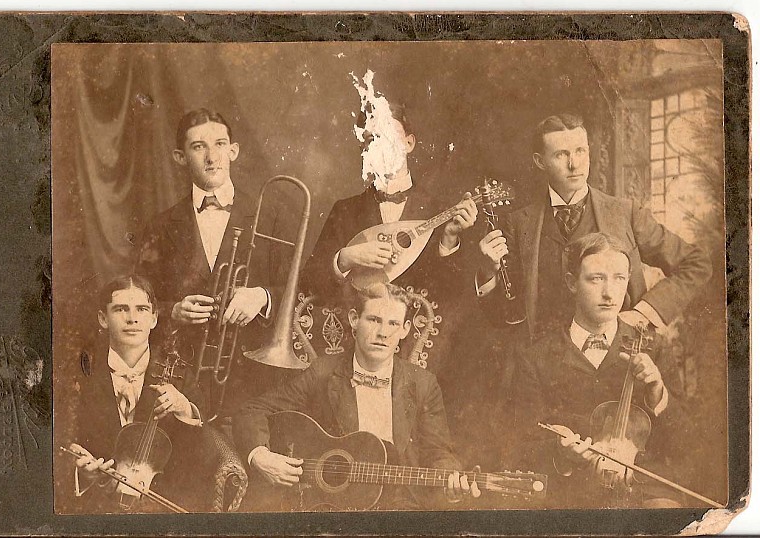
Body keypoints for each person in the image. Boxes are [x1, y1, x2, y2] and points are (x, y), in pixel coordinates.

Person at [233, 282, 480, 511]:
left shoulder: (423, 384)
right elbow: (252, 410)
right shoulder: (323, 372)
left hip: (400, 505)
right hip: (333, 505)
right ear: (354, 319)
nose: (383, 333)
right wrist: (260, 455)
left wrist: (451, 478)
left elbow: (438, 451)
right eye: (374, 320)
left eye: (393, 323)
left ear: (405, 330)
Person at [477, 113, 712, 343]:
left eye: (580, 151)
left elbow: (696, 263)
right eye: (561, 154)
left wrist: (644, 313)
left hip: (617, 357)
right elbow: (506, 314)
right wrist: (488, 272)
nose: (574, 164)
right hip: (545, 360)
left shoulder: (626, 213)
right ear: (540, 161)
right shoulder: (519, 224)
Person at [134, 108, 291, 418]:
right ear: (180, 157)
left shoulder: (271, 214)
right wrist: (173, 311)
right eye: (198, 147)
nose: (211, 157)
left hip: (255, 377)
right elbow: (139, 300)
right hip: (183, 380)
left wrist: (261, 297)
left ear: (233, 151)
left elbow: (298, 288)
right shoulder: (160, 226)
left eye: (219, 144)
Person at [513, 233, 682, 508]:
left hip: (643, 494)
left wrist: (658, 394)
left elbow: (687, 443)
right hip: (571, 498)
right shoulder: (535, 358)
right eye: (596, 279)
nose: (609, 293)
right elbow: (520, 445)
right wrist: (561, 454)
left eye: (619, 278)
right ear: (572, 283)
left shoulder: (655, 348)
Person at [302, 101, 477, 309]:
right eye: (371, 140)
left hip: (418, 327)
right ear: (364, 150)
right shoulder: (345, 211)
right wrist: (344, 259)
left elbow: (455, 296)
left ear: (409, 143)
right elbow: (309, 285)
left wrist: (448, 240)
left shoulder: (440, 211)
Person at [69, 275, 205, 513]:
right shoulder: (81, 372)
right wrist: (80, 471)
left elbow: (201, 436)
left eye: (141, 309)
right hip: (95, 503)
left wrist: (184, 407)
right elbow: (65, 439)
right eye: (121, 309)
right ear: (103, 318)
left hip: (160, 505)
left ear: (154, 318)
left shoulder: (179, 371)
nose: (132, 319)